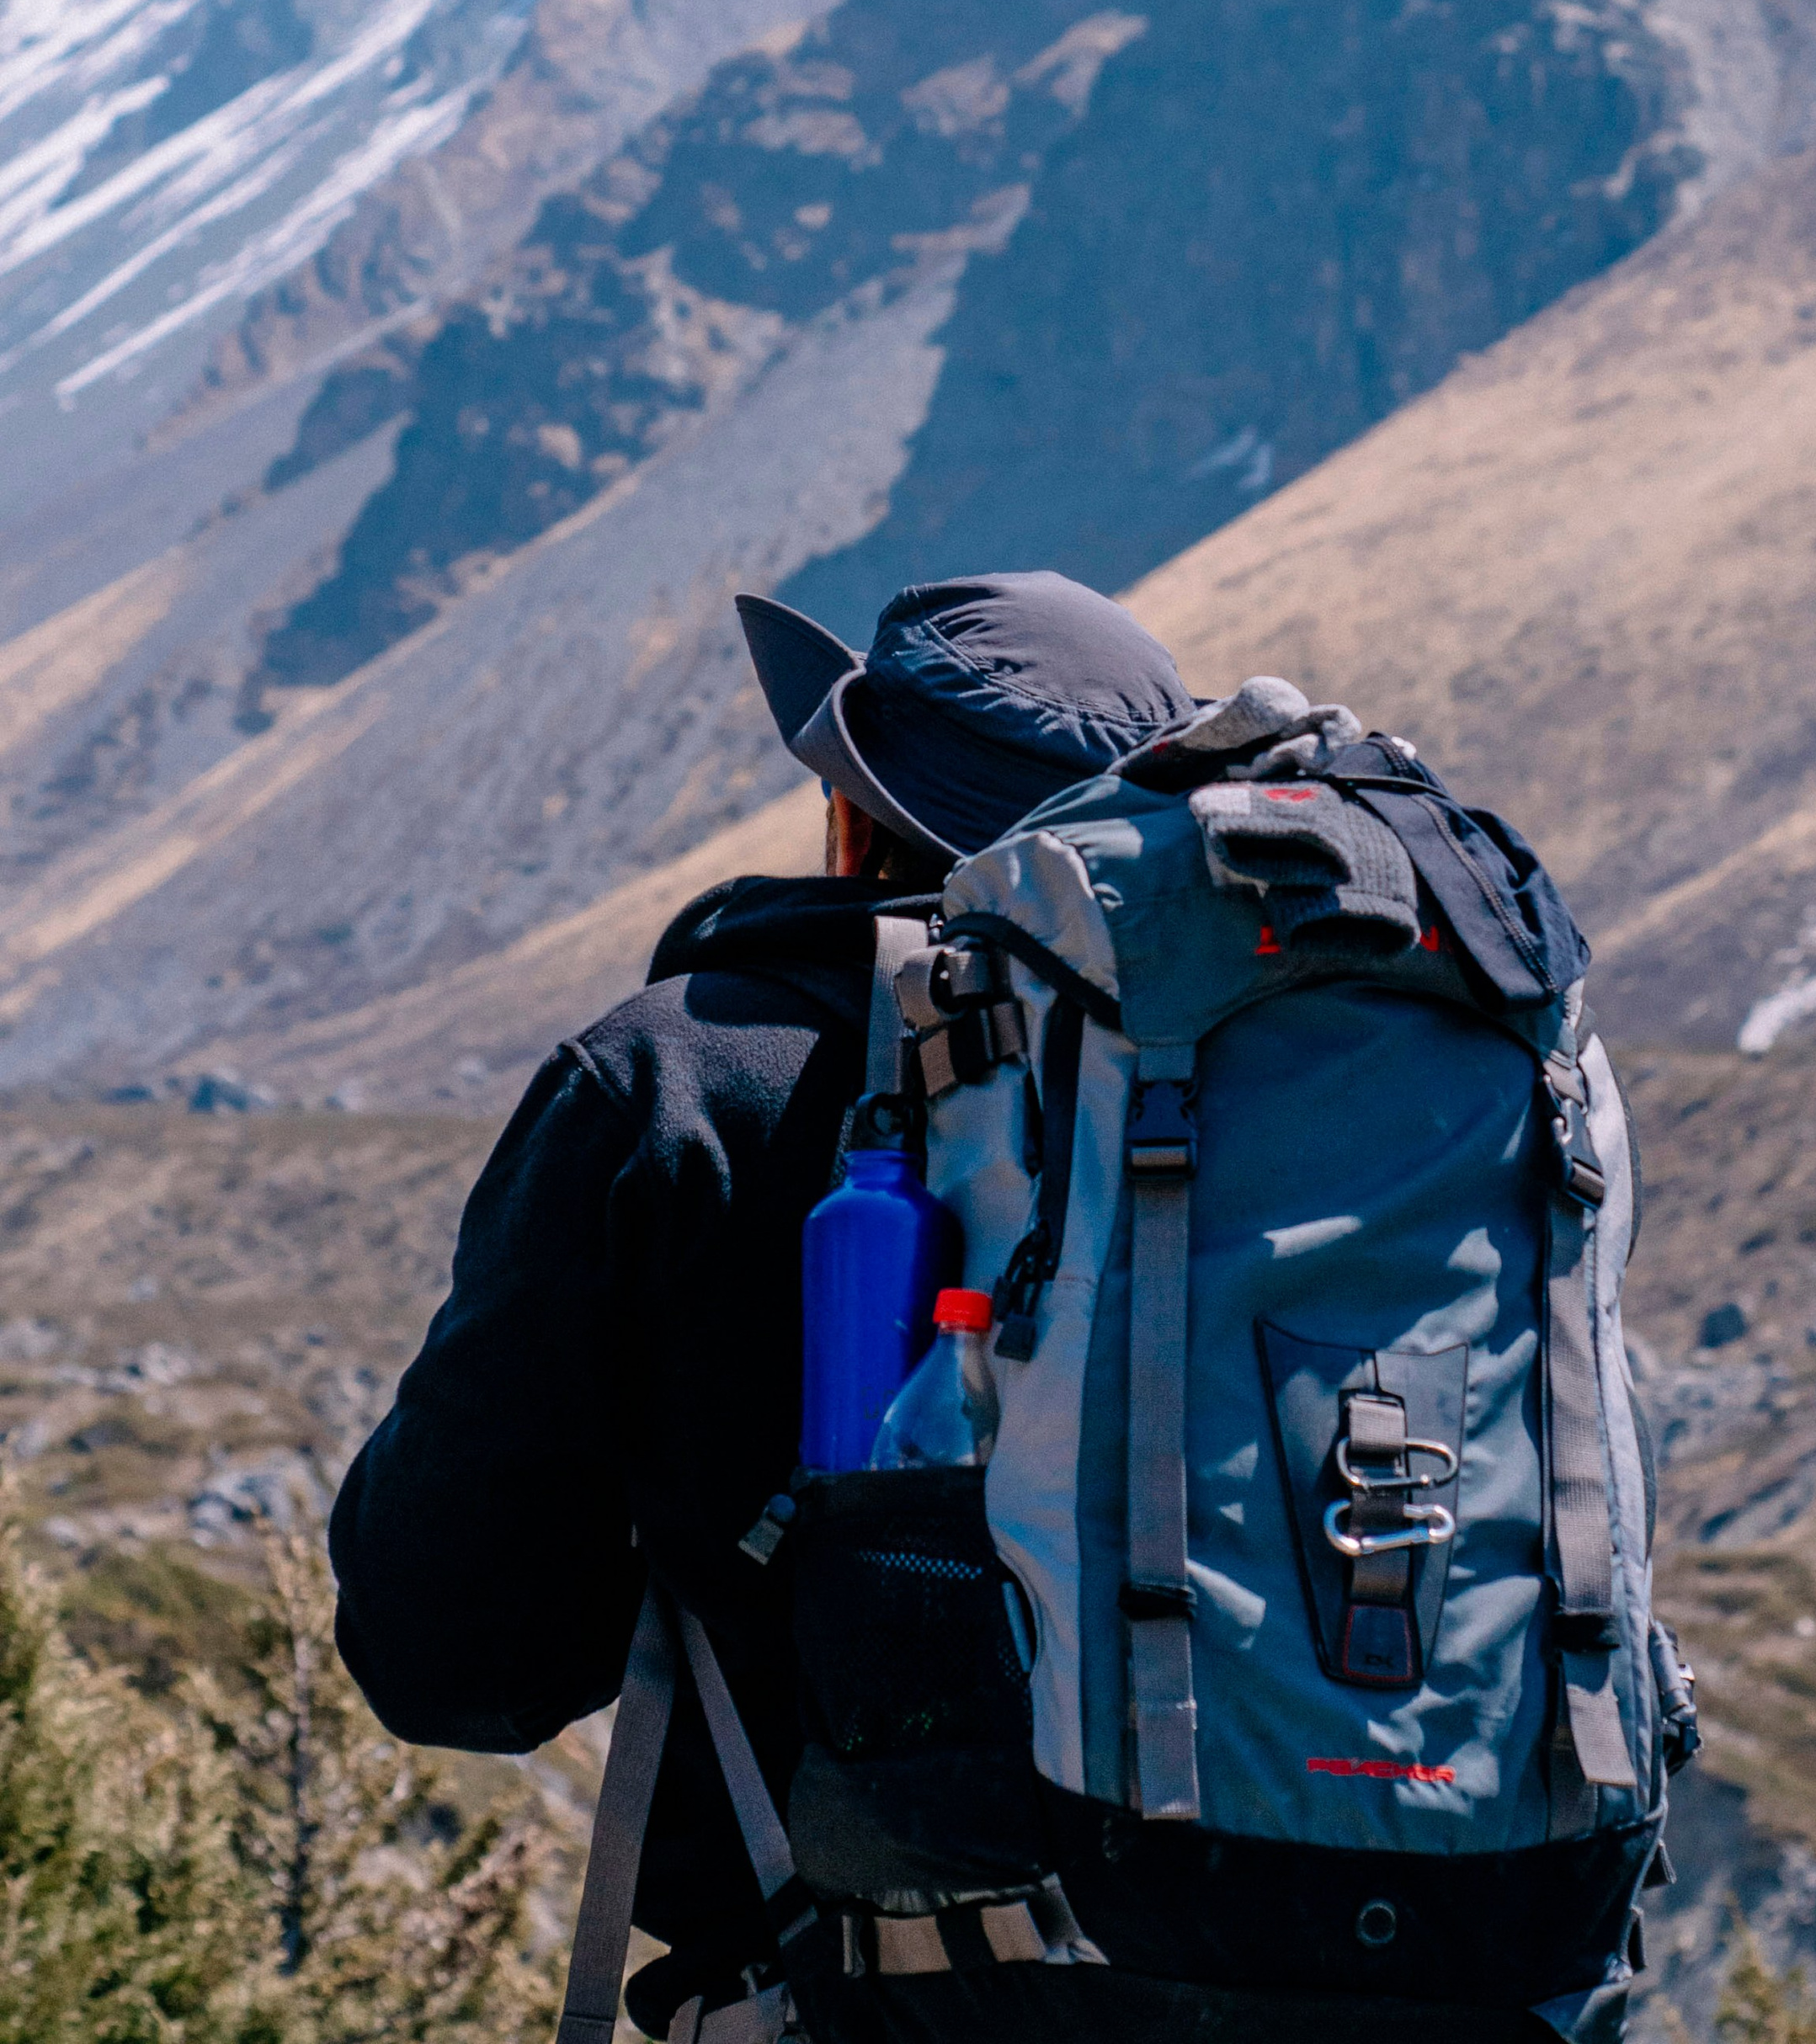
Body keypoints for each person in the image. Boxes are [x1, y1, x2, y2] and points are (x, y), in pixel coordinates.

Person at [329, 571, 1196, 2041]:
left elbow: (448, 1660)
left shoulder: (678, 1085)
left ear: (851, 820)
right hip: (1305, 1970)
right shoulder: (1274, 1101)